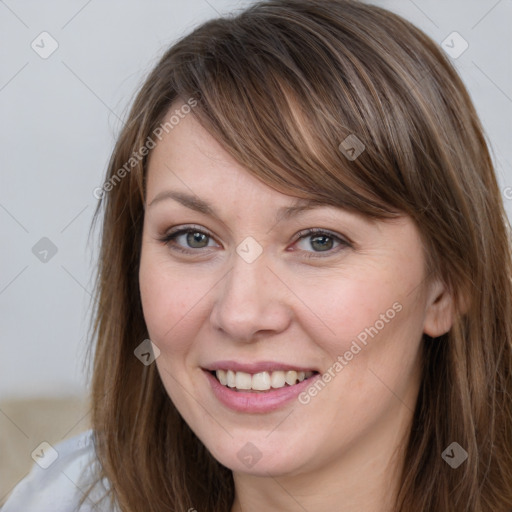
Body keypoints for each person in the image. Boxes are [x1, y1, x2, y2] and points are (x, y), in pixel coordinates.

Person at [3, 0, 512, 510]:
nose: (240, 314)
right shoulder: (64, 498)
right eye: (193, 237)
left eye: (319, 240)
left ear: (445, 286)